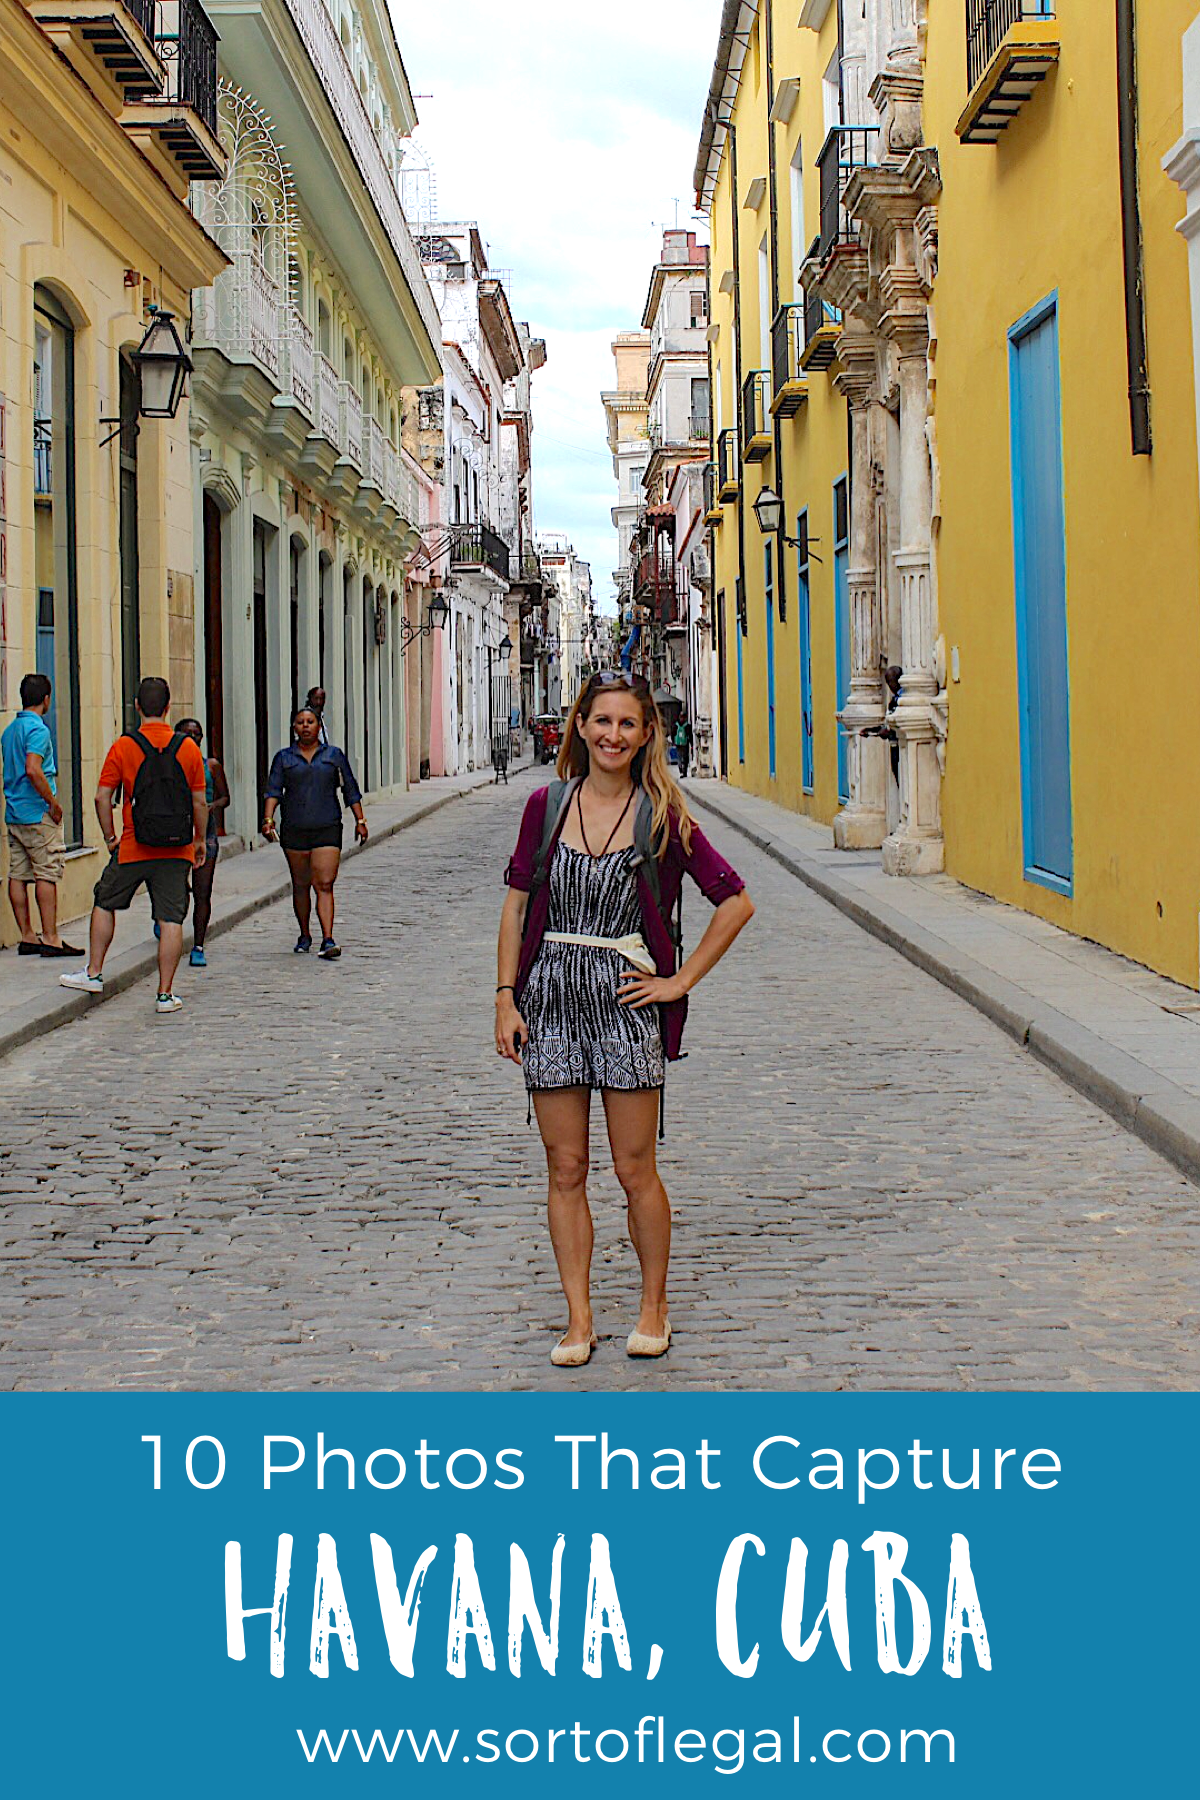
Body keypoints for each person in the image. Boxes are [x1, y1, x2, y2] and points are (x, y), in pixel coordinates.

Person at [496, 670, 754, 1368]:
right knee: (565, 1166)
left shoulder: (662, 813)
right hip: (549, 997)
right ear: (580, 725)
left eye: (627, 725)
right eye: (601, 721)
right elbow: (518, 903)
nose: (612, 735)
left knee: (634, 1168)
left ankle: (652, 1305)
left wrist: (679, 981)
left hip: (625, 1001)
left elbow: (734, 901)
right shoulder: (546, 806)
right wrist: (504, 996)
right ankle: (579, 1319)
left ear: (645, 737)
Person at [60, 676, 207, 1013]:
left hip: (132, 846)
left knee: (105, 900)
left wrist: (110, 837)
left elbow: (101, 797)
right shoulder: (187, 748)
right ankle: (165, 994)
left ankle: (94, 972)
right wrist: (198, 840)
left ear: (137, 706)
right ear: (169, 707)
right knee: (171, 918)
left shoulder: (124, 746)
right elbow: (199, 802)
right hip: (176, 848)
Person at [262, 705, 366, 959]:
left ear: (319, 727)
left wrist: (360, 819)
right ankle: (304, 933)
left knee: (324, 883)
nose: (305, 726)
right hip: (295, 828)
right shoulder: (284, 758)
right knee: (300, 884)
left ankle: (328, 938)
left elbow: (349, 788)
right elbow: (273, 790)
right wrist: (268, 819)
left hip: (327, 826)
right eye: (300, 722)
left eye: (310, 721)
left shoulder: (333, 756)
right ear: (293, 728)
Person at [2, 672, 81, 957]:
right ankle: (50, 937)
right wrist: (53, 803)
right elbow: (33, 768)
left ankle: (27, 935)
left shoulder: (9, 731)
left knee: (18, 874)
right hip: (37, 813)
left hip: (14, 813)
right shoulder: (38, 731)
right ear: (46, 699)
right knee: (46, 874)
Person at [176, 719, 229, 968]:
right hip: (175, 835)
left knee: (202, 891)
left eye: (198, 734)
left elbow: (224, 797)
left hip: (205, 834)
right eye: (187, 734)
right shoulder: (170, 763)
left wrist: (211, 807)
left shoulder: (211, 766)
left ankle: (198, 944)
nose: (193, 738)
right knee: (173, 890)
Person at [674, 714, 693, 780]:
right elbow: (690, 735)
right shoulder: (687, 725)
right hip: (685, 744)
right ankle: (684, 772)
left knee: (679, 757)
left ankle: (680, 768)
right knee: (685, 758)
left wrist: (674, 742)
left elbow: (673, 734)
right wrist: (692, 744)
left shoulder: (676, 725)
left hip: (678, 744)